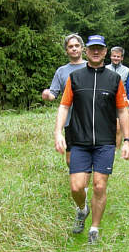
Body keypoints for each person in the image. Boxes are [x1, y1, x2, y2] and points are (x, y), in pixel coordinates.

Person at [54, 35, 129, 244]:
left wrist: (126, 140)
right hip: (79, 141)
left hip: (105, 143)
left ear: (105, 52)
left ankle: (94, 229)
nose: (96, 52)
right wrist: (58, 132)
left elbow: (122, 111)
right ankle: (82, 209)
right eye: (92, 49)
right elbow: (64, 106)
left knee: (99, 186)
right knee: (76, 187)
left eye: (100, 49)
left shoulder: (114, 79)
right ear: (86, 51)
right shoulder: (76, 78)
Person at [42, 33, 86, 167]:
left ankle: (84, 181)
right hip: (70, 120)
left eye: (77, 46)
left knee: (89, 153)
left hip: (91, 118)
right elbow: (53, 94)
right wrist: (47, 94)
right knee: (70, 159)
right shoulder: (61, 71)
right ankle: (79, 177)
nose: (74, 48)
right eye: (70, 46)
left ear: (82, 48)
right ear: (66, 50)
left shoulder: (92, 67)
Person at [106, 46, 129, 149]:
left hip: (121, 102)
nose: (116, 58)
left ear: (122, 58)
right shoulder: (105, 69)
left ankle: (116, 150)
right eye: (114, 56)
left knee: (118, 128)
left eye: (118, 56)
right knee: (107, 128)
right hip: (107, 102)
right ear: (110, 56)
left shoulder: (127, 71)